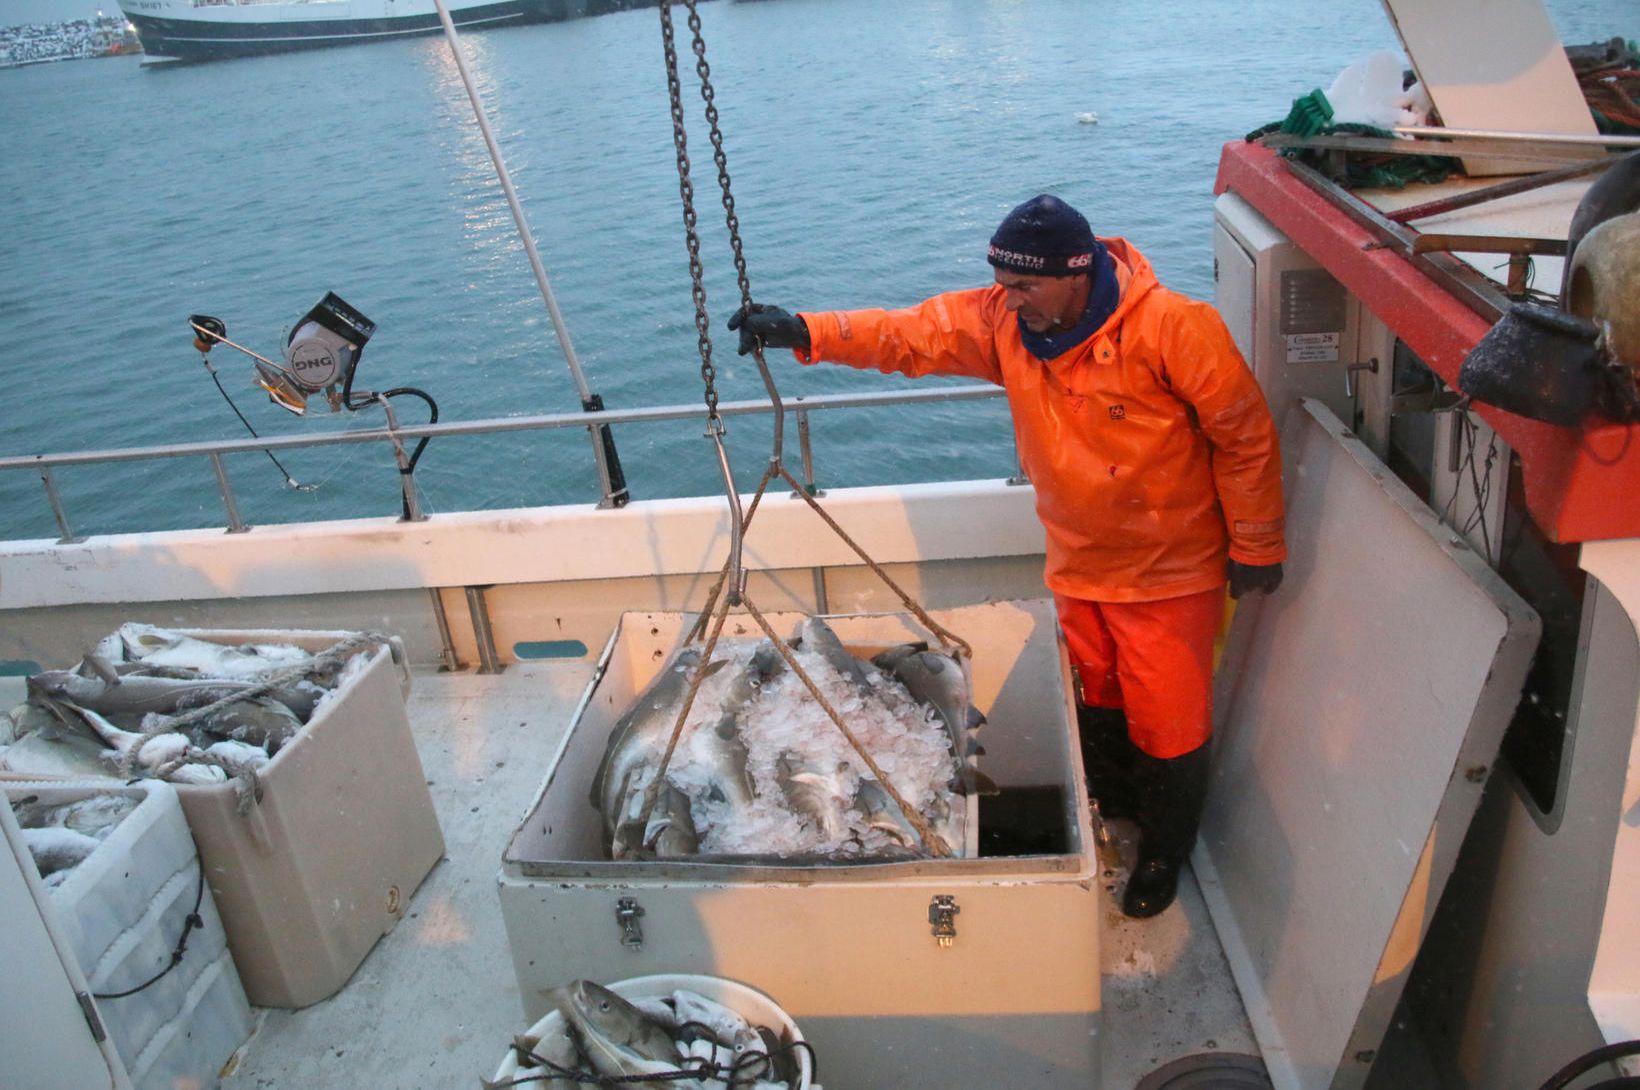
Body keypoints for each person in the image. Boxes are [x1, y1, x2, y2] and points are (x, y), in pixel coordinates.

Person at [728, 194, 1286, 918]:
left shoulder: (1176, 329)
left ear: (1077, 273)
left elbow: (1245, 436)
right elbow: (911, 335)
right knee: (1101, 697)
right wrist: (805, 330)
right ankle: (1114, 805)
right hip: (1079, 563)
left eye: (1025, 285)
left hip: (1169, 574)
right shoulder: (1004, 321)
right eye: (1001, 282)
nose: (1009, 298)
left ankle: (1165, 849)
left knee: (1170, 722)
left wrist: (1257, 542)